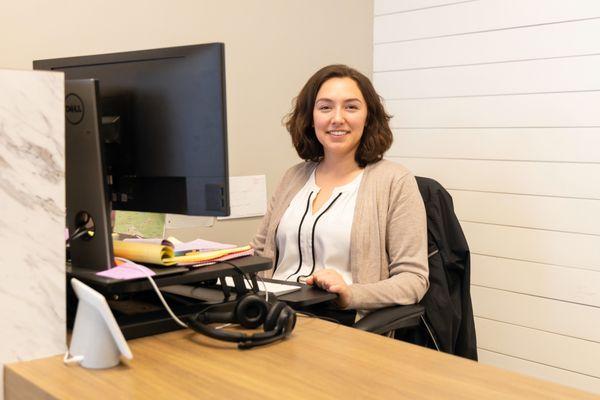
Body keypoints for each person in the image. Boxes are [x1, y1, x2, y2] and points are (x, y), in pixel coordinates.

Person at [251, 64, 428, 313]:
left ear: (368, 118)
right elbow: (259, 254)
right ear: (311, 118)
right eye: (325, 107)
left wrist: (349, 293)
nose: (337, 118)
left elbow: (413, 280)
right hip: (271, 313)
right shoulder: (293, 177)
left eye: (351, 107)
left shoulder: (394, 181)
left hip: (341, 321)